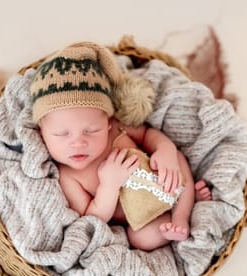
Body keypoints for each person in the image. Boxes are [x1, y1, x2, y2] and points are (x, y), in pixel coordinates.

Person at [30, 42, 210, 251]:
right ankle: (176, 217)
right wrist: (109, 186)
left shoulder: (115, 129)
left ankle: (183, 213)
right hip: (141, 218)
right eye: (62, 134)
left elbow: (146, 134)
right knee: (142, 239)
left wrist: (165, 150)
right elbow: (92, 218)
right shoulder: (68, 176)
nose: (78, 142)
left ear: (107, 122)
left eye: (91, 130)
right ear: (41, 132)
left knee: (177, 159)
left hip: (165, 181)